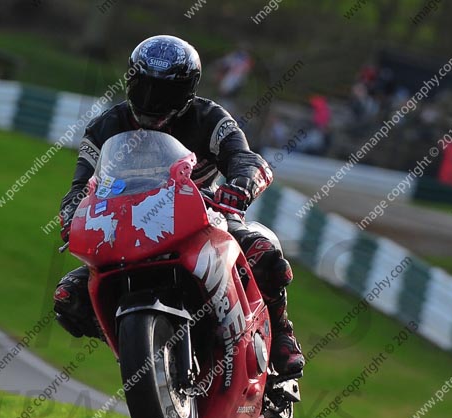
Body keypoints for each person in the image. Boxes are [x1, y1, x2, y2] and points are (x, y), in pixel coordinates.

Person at [53, 35, 304, 378]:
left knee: (263, 253)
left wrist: (240, 187)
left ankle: (282, 334)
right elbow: (80, 186)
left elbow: (245, 159)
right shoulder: (104, 127)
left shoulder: (211, 118)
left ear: (187, 91)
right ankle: (137, 344)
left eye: (165, 91)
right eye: (144, 87)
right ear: (131, 82)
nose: (152, 100)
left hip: (204, 217)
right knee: (69, 297)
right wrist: (72, 213)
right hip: (129, 226)